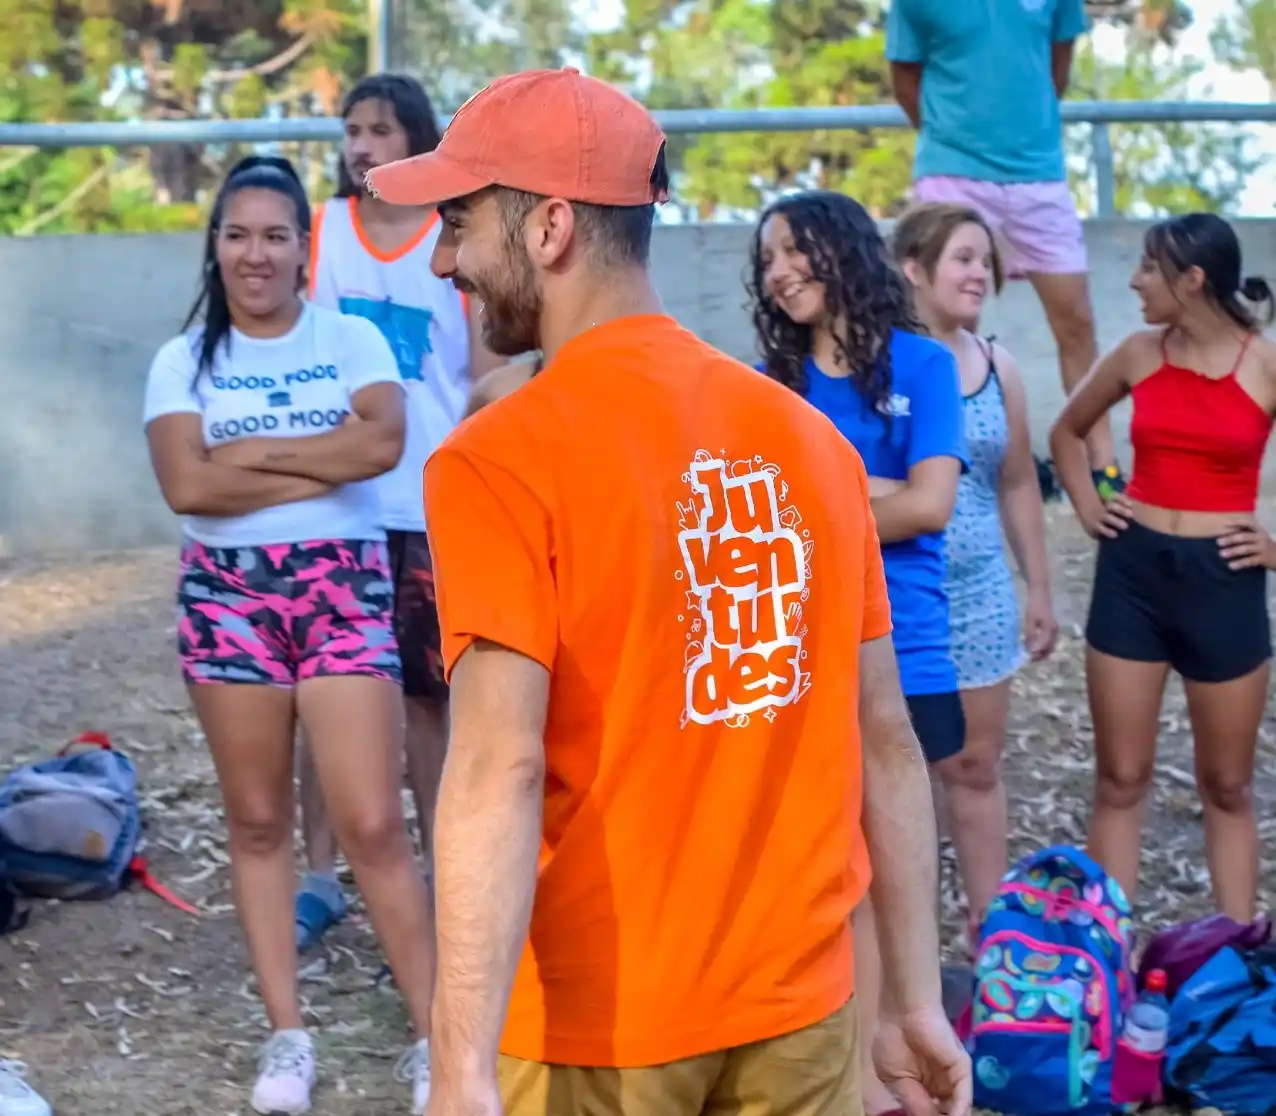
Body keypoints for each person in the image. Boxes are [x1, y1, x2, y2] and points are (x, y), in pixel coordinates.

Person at [365, 66, 971, 1116]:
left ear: (550, 227)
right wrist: (912, 1000)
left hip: (601, 1030)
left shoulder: (496, 460)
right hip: (803, 1014)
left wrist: (459, 1071)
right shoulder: (810, 444)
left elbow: (496, 772)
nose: (443, 256)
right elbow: (884, 738)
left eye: (460, 220)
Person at [142, 154, 436, 1116]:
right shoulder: (181, 361)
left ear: (303, 249)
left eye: (274, 234)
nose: (255, 254)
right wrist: (321, 464)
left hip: (341, 585)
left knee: (374, 823)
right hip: (228, 595)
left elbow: (381, 446)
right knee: (260, 821)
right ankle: (287, 1035)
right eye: (237, 234)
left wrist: (253, 454)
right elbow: (189, 487)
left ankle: (441, 1037)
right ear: (215, 246)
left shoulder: (350, 340)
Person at [749, 188, 968, 1116]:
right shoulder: (771, 388)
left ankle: (903, 1079)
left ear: (844, 252)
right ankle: (866, 1086)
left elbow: (931, 505)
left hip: (903, 654)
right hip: (797, 658)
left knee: (892, 876)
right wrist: (866, 490)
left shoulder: (926, 363)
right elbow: (760, 524)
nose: (780, 270)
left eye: (794, 249)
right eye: (766, 260)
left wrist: (826, 501)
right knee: (828, 877)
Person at [295, 72, 500, 971]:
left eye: (380, 129)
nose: (362, 145)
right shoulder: (320, 234)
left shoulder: (451, 244)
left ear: (417, 141)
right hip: (334, 503)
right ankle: (317, 874)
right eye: (351, 129)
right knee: (320, 698)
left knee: (429, 699)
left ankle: (436, 873)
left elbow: (489, 376)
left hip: (428, 504)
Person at [1050, 212, 1276, 923]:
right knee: (1119, 779)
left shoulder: (1263, 362)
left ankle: (1234, 970)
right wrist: (1092, 507)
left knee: (1228, 785)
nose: (1135, 281)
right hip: (1133, 575)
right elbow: (1066, 432)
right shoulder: (1137, 352)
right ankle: (1106, 963)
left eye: (1148, 268)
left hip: (1225, 583)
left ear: (1192, 279)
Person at [893, 202, 1059, 947]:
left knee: (977, 767)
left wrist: (1039, 588)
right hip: (900, 602)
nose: (979, 276)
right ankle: (908, 951)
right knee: (904, 778)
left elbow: (1019, 481)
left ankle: (993, 948)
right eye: (963, 259)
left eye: (985, 263)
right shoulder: (882, 363)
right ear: (914, 270)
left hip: (984, 597)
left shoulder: (1000, 367)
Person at [885, 0, 1125, 498]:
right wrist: (954, 138)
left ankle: (1104, 472)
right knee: (944, 327)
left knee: (1077, 321)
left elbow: (1057, 71)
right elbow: (905, 78)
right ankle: (949, 462)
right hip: (952, 170)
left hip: (1038, 174)